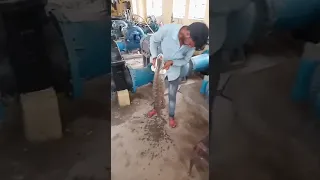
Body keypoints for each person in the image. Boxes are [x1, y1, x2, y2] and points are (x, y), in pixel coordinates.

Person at [147, 22, 209, 128]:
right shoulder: (168, 30)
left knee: (172, 95)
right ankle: (155, 108)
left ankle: (171, 116)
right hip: (160, 68)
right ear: (188, 34)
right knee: (157, 90)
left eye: (192, 46)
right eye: (190, 44)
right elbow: (153, 40)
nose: (190, 47)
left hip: (174, 71)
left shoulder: (191, 46)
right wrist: (153, 56)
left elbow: (185, 60)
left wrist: (172, 62)